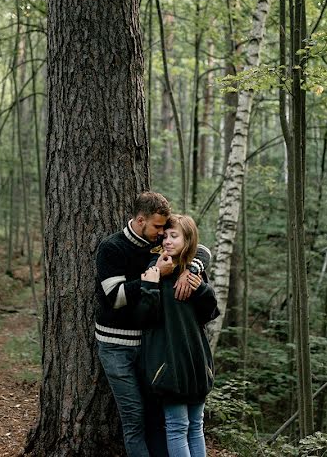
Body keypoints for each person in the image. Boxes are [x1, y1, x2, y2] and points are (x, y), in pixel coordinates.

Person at [95, 193, 210, 457]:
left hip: (150, 346)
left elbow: (198, 246)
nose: (162, 234)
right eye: (158, 228)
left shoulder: (156, 242)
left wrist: (192, 270)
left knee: (158, 417)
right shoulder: (112, 247)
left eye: (164, 229)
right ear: (140, 220)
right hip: (117, 346)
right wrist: (153, 278)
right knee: (134, 418)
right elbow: (114, 298)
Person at [139, 214, 218, 457]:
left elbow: (209, 313)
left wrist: (200, 287)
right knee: (177, 426)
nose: (168, 241)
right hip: (168, 359)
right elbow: (144, 317)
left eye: (175, 237)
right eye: (166, 236)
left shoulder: (192, 271)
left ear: (187, 240)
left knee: (196, 427)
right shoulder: (156, 266)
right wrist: (151, 285)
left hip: (195, 359)